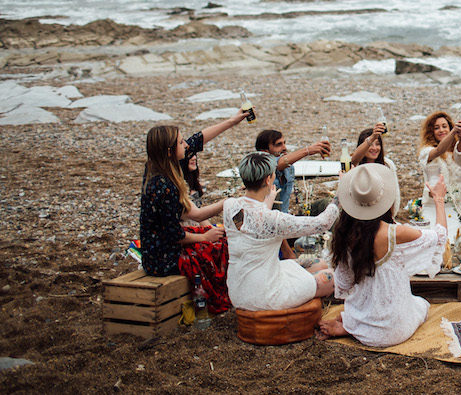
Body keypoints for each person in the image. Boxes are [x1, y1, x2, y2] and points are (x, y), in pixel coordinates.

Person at [317, 164, 448, 347]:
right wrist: (439, 199)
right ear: (384, 200)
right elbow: (440, 236)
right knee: (420, 304)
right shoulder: (395, 233)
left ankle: (352, 325)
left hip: (365, 326)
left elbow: (344, 284)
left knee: (363, 298)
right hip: (397, 329)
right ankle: (352, 324)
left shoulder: (344, 235)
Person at [140, 113, 249, 313]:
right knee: (219, 246)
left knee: (223, 237)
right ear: (170, 151)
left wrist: (232, 121)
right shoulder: (162, 186)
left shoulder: (161, 166)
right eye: (181, 142)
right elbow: (173, 234)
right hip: (162, 257)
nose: (187, 145)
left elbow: (198, 139)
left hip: (164, 246)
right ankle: (223, 297)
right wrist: (205, 237)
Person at [223, 152, 339, 311]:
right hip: (266, 295)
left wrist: (267, 200)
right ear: (268, 179)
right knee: (334, 277)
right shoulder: (273, 219)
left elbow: (250, 222)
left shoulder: (230, 206)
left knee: (321, 264)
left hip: (238, 292)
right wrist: (339, 195)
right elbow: (323, 223)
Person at [417, 111, 461, 239]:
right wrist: (453, 133)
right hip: (433, 206)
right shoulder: (427, 151)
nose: (441, 130)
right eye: (436, 128)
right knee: (436, 239)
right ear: (431, 132)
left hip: (455, 208)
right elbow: (439, 150)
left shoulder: (457, 153)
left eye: (444, 126)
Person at [255, 129, 332, 214]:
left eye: (284, 143)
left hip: (285, 219)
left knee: (325, 205)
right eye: (278, 145)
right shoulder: (258, 168)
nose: (284, 148)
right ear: (265, 152)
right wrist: (307, 150)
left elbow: (283, 163)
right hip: (266, 221)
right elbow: (277, 163)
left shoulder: (289, 168)